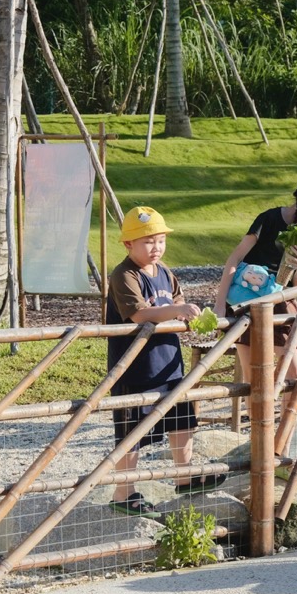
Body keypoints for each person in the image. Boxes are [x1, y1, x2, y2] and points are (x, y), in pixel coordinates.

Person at [106, 206, 209, 513]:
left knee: (182, 420)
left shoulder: (165, 272)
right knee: (132, 431)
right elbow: (139, 314)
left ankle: (184, 475)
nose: (156, 247)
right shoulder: (124, 275)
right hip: (134, 367)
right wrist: (178, 312)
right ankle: (124, 492)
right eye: (148, 241)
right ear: (128, 244)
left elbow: (177, 303)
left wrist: (188, 314)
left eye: (160, 240)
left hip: (168, 361)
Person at [215, 173, 297, 386]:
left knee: (294, 379)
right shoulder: (270, 219)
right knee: (254, 382)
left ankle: (285, 420)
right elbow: (235, 257)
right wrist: (219, 303)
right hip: (248, 302)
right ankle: (260, 419)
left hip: (282, 302)